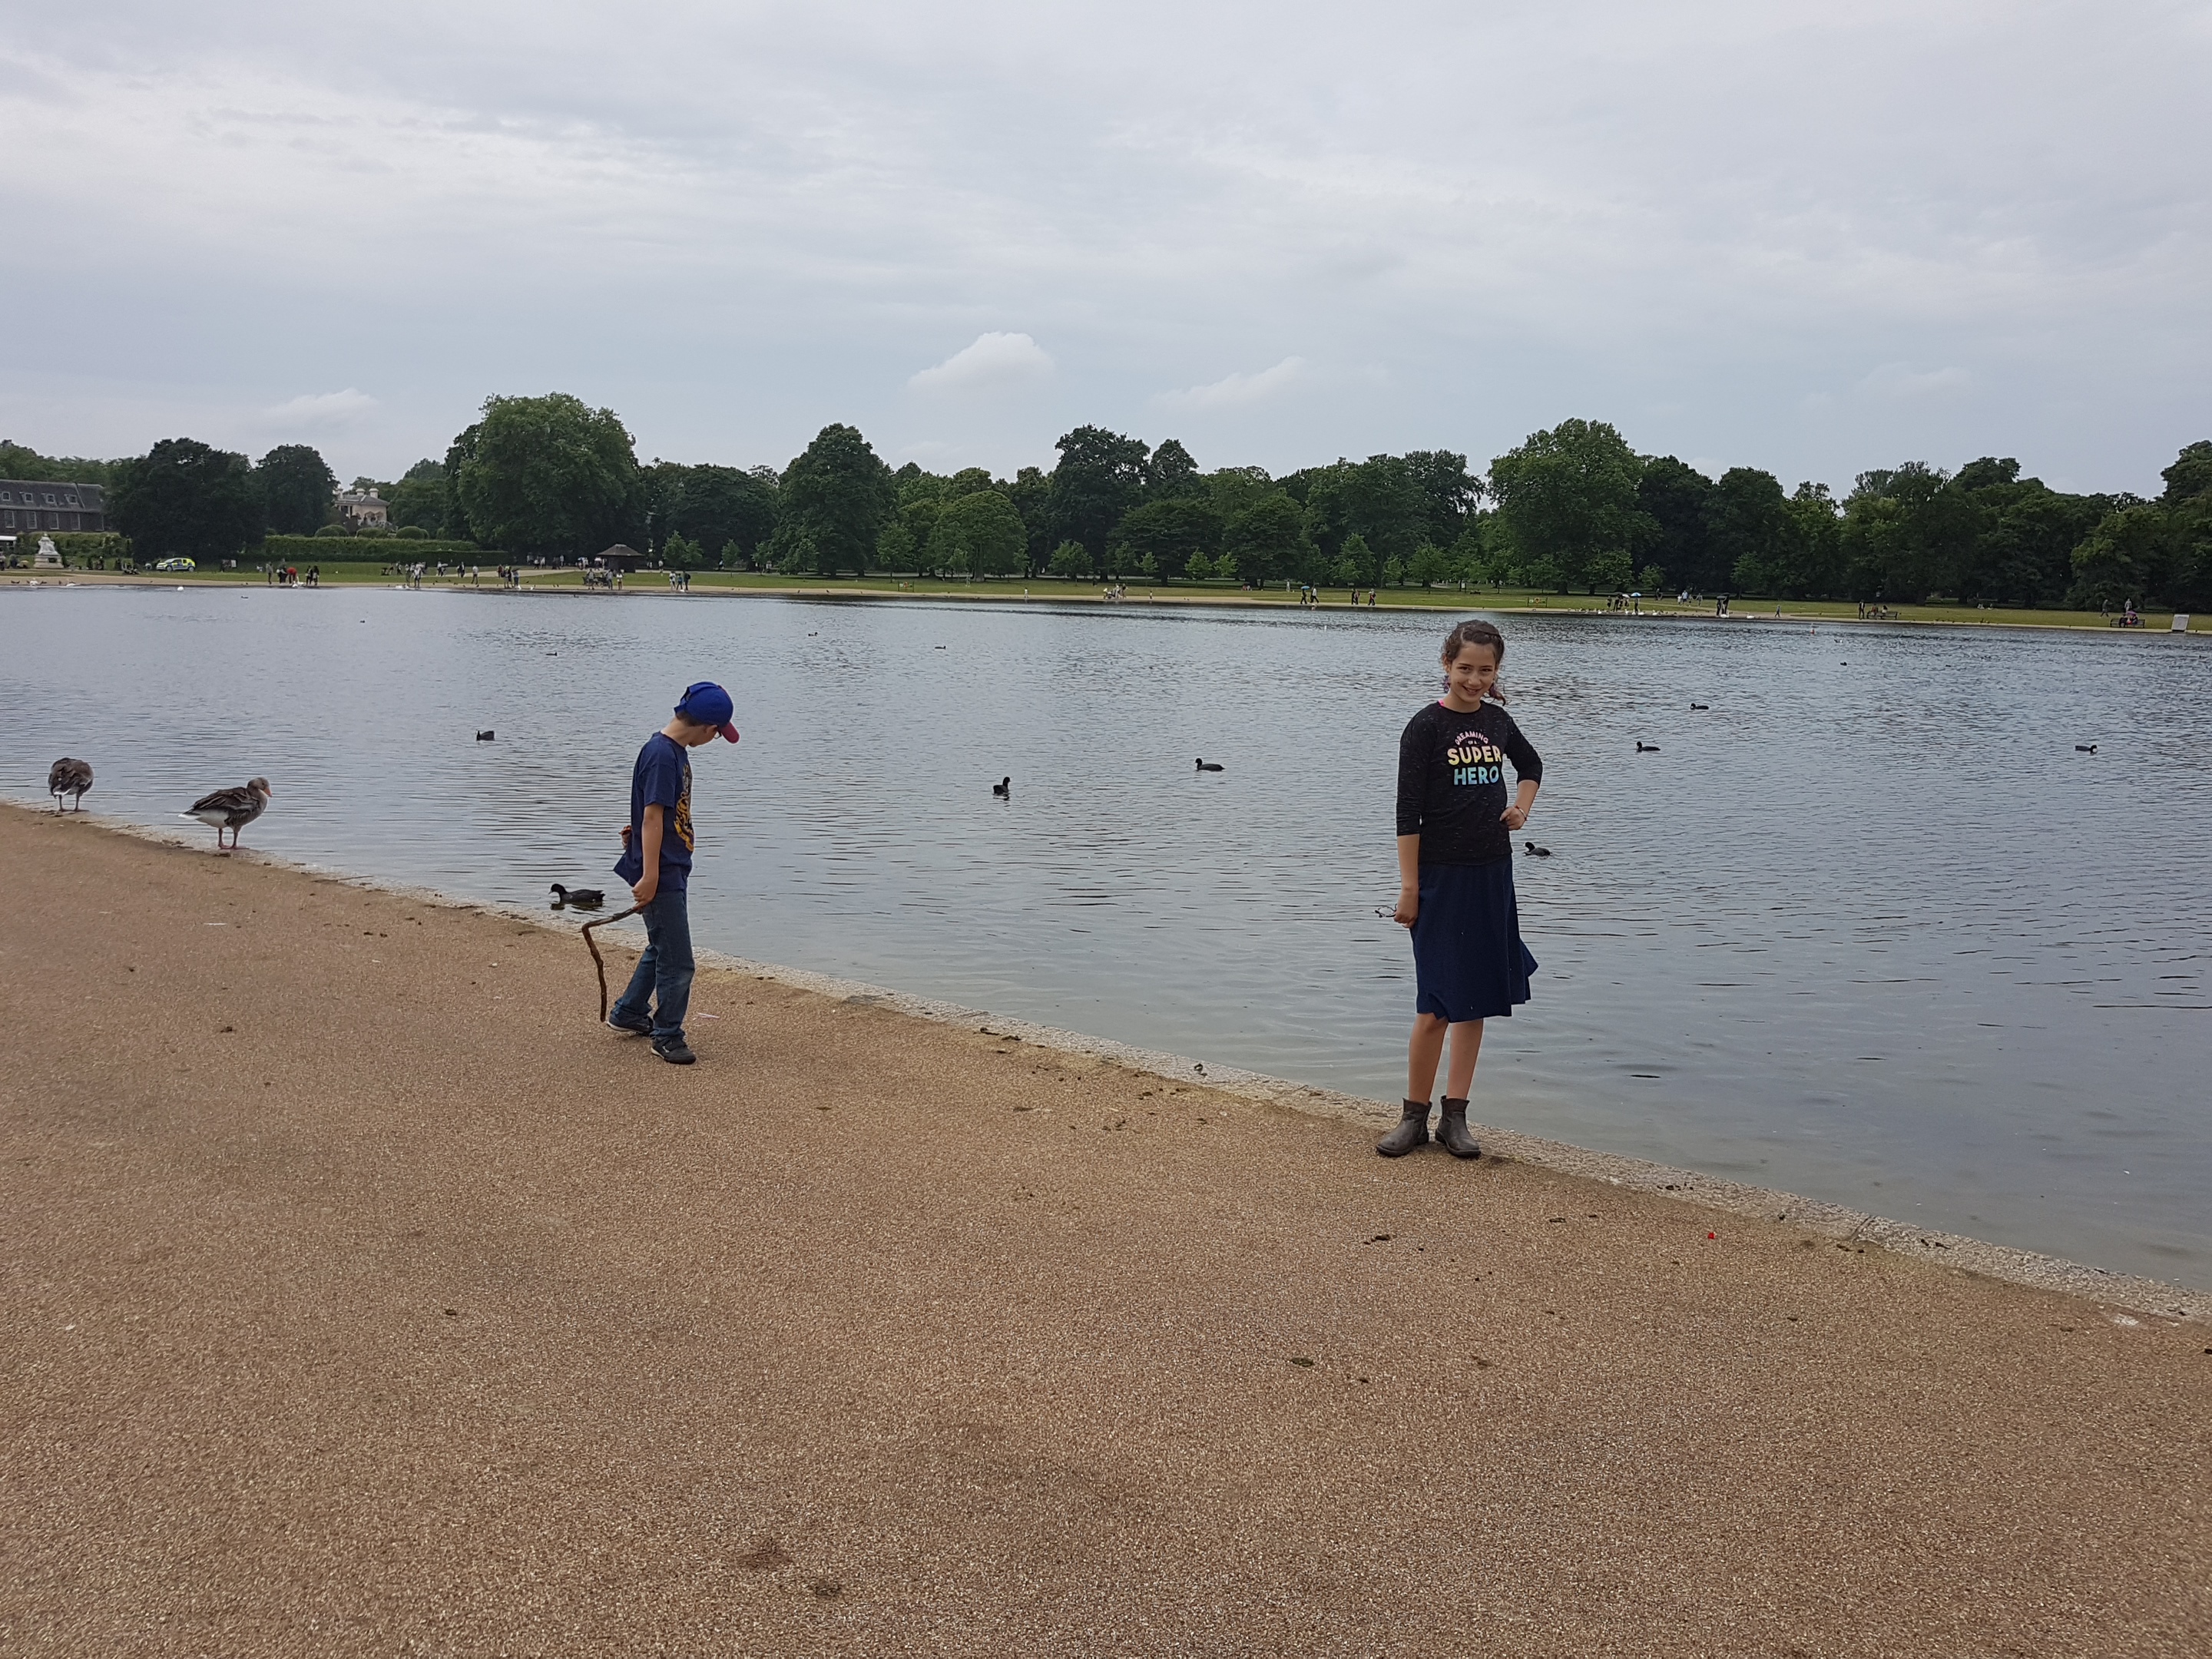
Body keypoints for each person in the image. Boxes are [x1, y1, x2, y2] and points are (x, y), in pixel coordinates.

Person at [1382, 619, 1542, 1159]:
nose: (1474, 680)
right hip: (1438, 877)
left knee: (1473, 1000)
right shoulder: (1425, 726)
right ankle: (1413, 1117)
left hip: (1491, 873)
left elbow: (1532, 765)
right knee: (1436, 1002)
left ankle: (1456, 1117)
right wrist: (1409, 887)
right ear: (1447, 665)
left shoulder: (1498, 722)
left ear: (1496, 672)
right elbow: (1407, 813)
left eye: (1485, 670)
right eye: (1465, 668)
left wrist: (1521, 809)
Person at [608, 682, 741, 1065]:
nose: (715, 739)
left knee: (661, 945)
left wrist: (638, 840)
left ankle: (629, 1011)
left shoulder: (671, 751)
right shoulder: (663, 756)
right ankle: (667, 1034)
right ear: (708, 728)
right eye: (718, 733)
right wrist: (650, 875)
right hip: (661, 873)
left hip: (669, 865)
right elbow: (652, 816)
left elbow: (653, 813)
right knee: (680, 961)